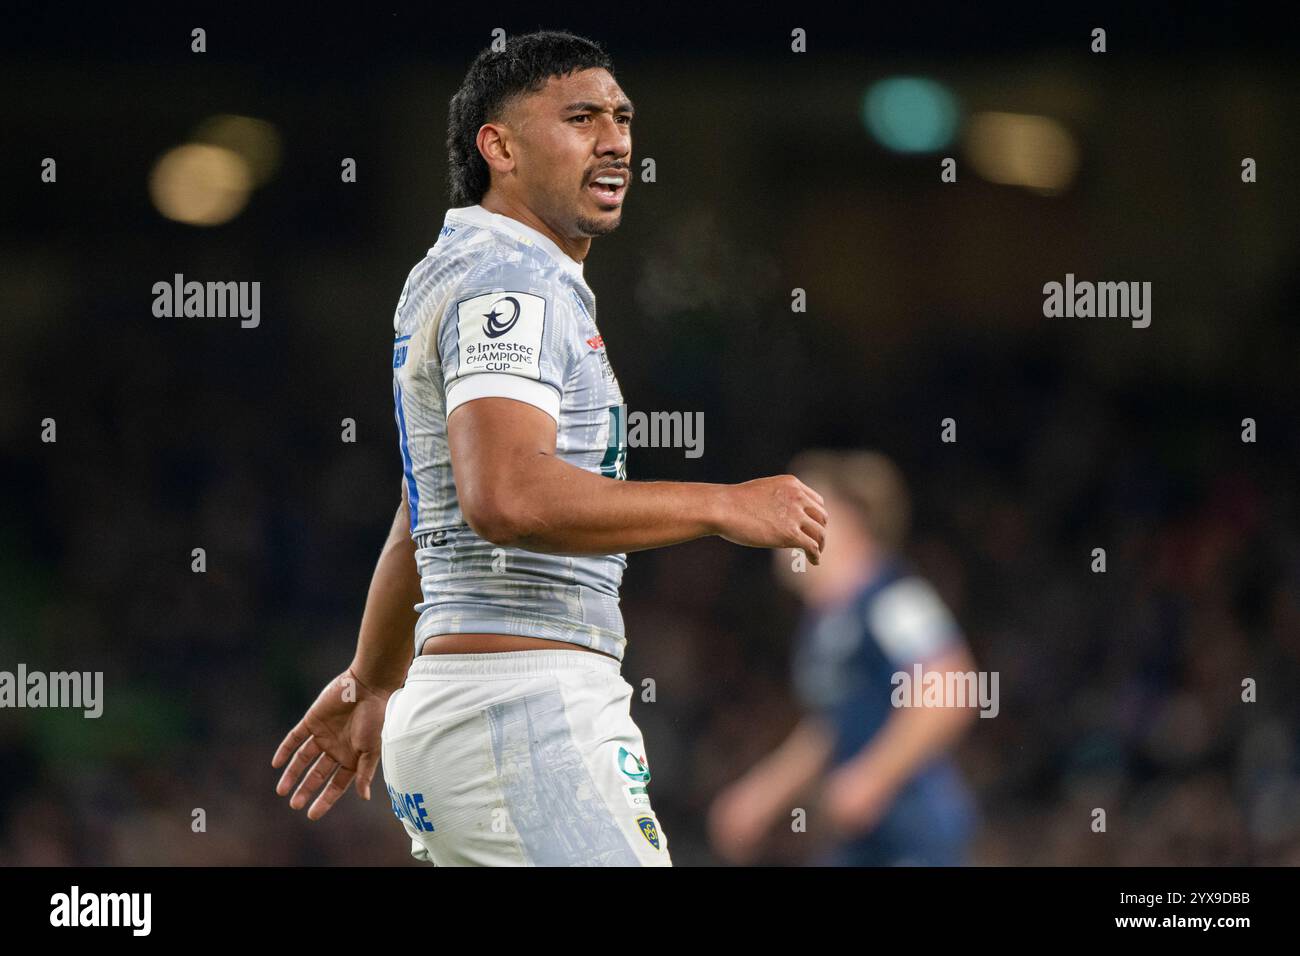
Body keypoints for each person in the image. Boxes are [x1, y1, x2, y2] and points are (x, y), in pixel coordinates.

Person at [270, 29, 828, 866]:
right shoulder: (512, 282)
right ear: (498, 147)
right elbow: (504, 499)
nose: (616, 139)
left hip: (470, 712)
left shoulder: (465, 270)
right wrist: (722, 503)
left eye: (622, 117)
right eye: (580, 117)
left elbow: (425, 509)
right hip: (522, 716)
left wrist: (374, 677)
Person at [709, 450, 979, 866]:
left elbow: (949, 685)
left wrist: (874, 776)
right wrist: (761, 796)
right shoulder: (822, 625)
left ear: (845, 521)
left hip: (914, 835)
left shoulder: (893, 597)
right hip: (862, 841)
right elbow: (834, 725)